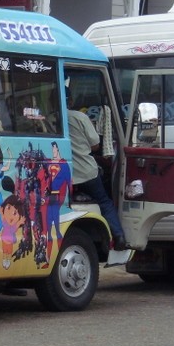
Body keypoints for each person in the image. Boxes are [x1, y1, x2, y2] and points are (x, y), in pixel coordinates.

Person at [67, 89, 127, 250]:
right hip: (86, 172)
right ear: (71, 101)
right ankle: (119, 236)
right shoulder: (80, 117)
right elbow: (95, 145)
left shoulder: (51, 119)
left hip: (64, 175)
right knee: (105, 202)